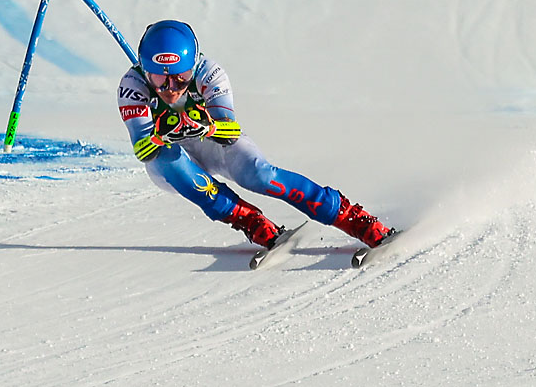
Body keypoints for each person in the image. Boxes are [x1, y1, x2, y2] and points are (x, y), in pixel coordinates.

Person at [117, 19, 394, 249]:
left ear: (194, 65)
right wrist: (161, 133)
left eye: (181, 76)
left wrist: (207, 125)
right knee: (166, 159)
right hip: (173, 166)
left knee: (258, 174)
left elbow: (230, 130)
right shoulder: (132, 86)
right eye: (159, 78)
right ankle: (249, 220)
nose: (170, 87)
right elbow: (143, 151)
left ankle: (351, 217)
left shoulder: (210, 73)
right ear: (144, 69)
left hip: (211, 143)